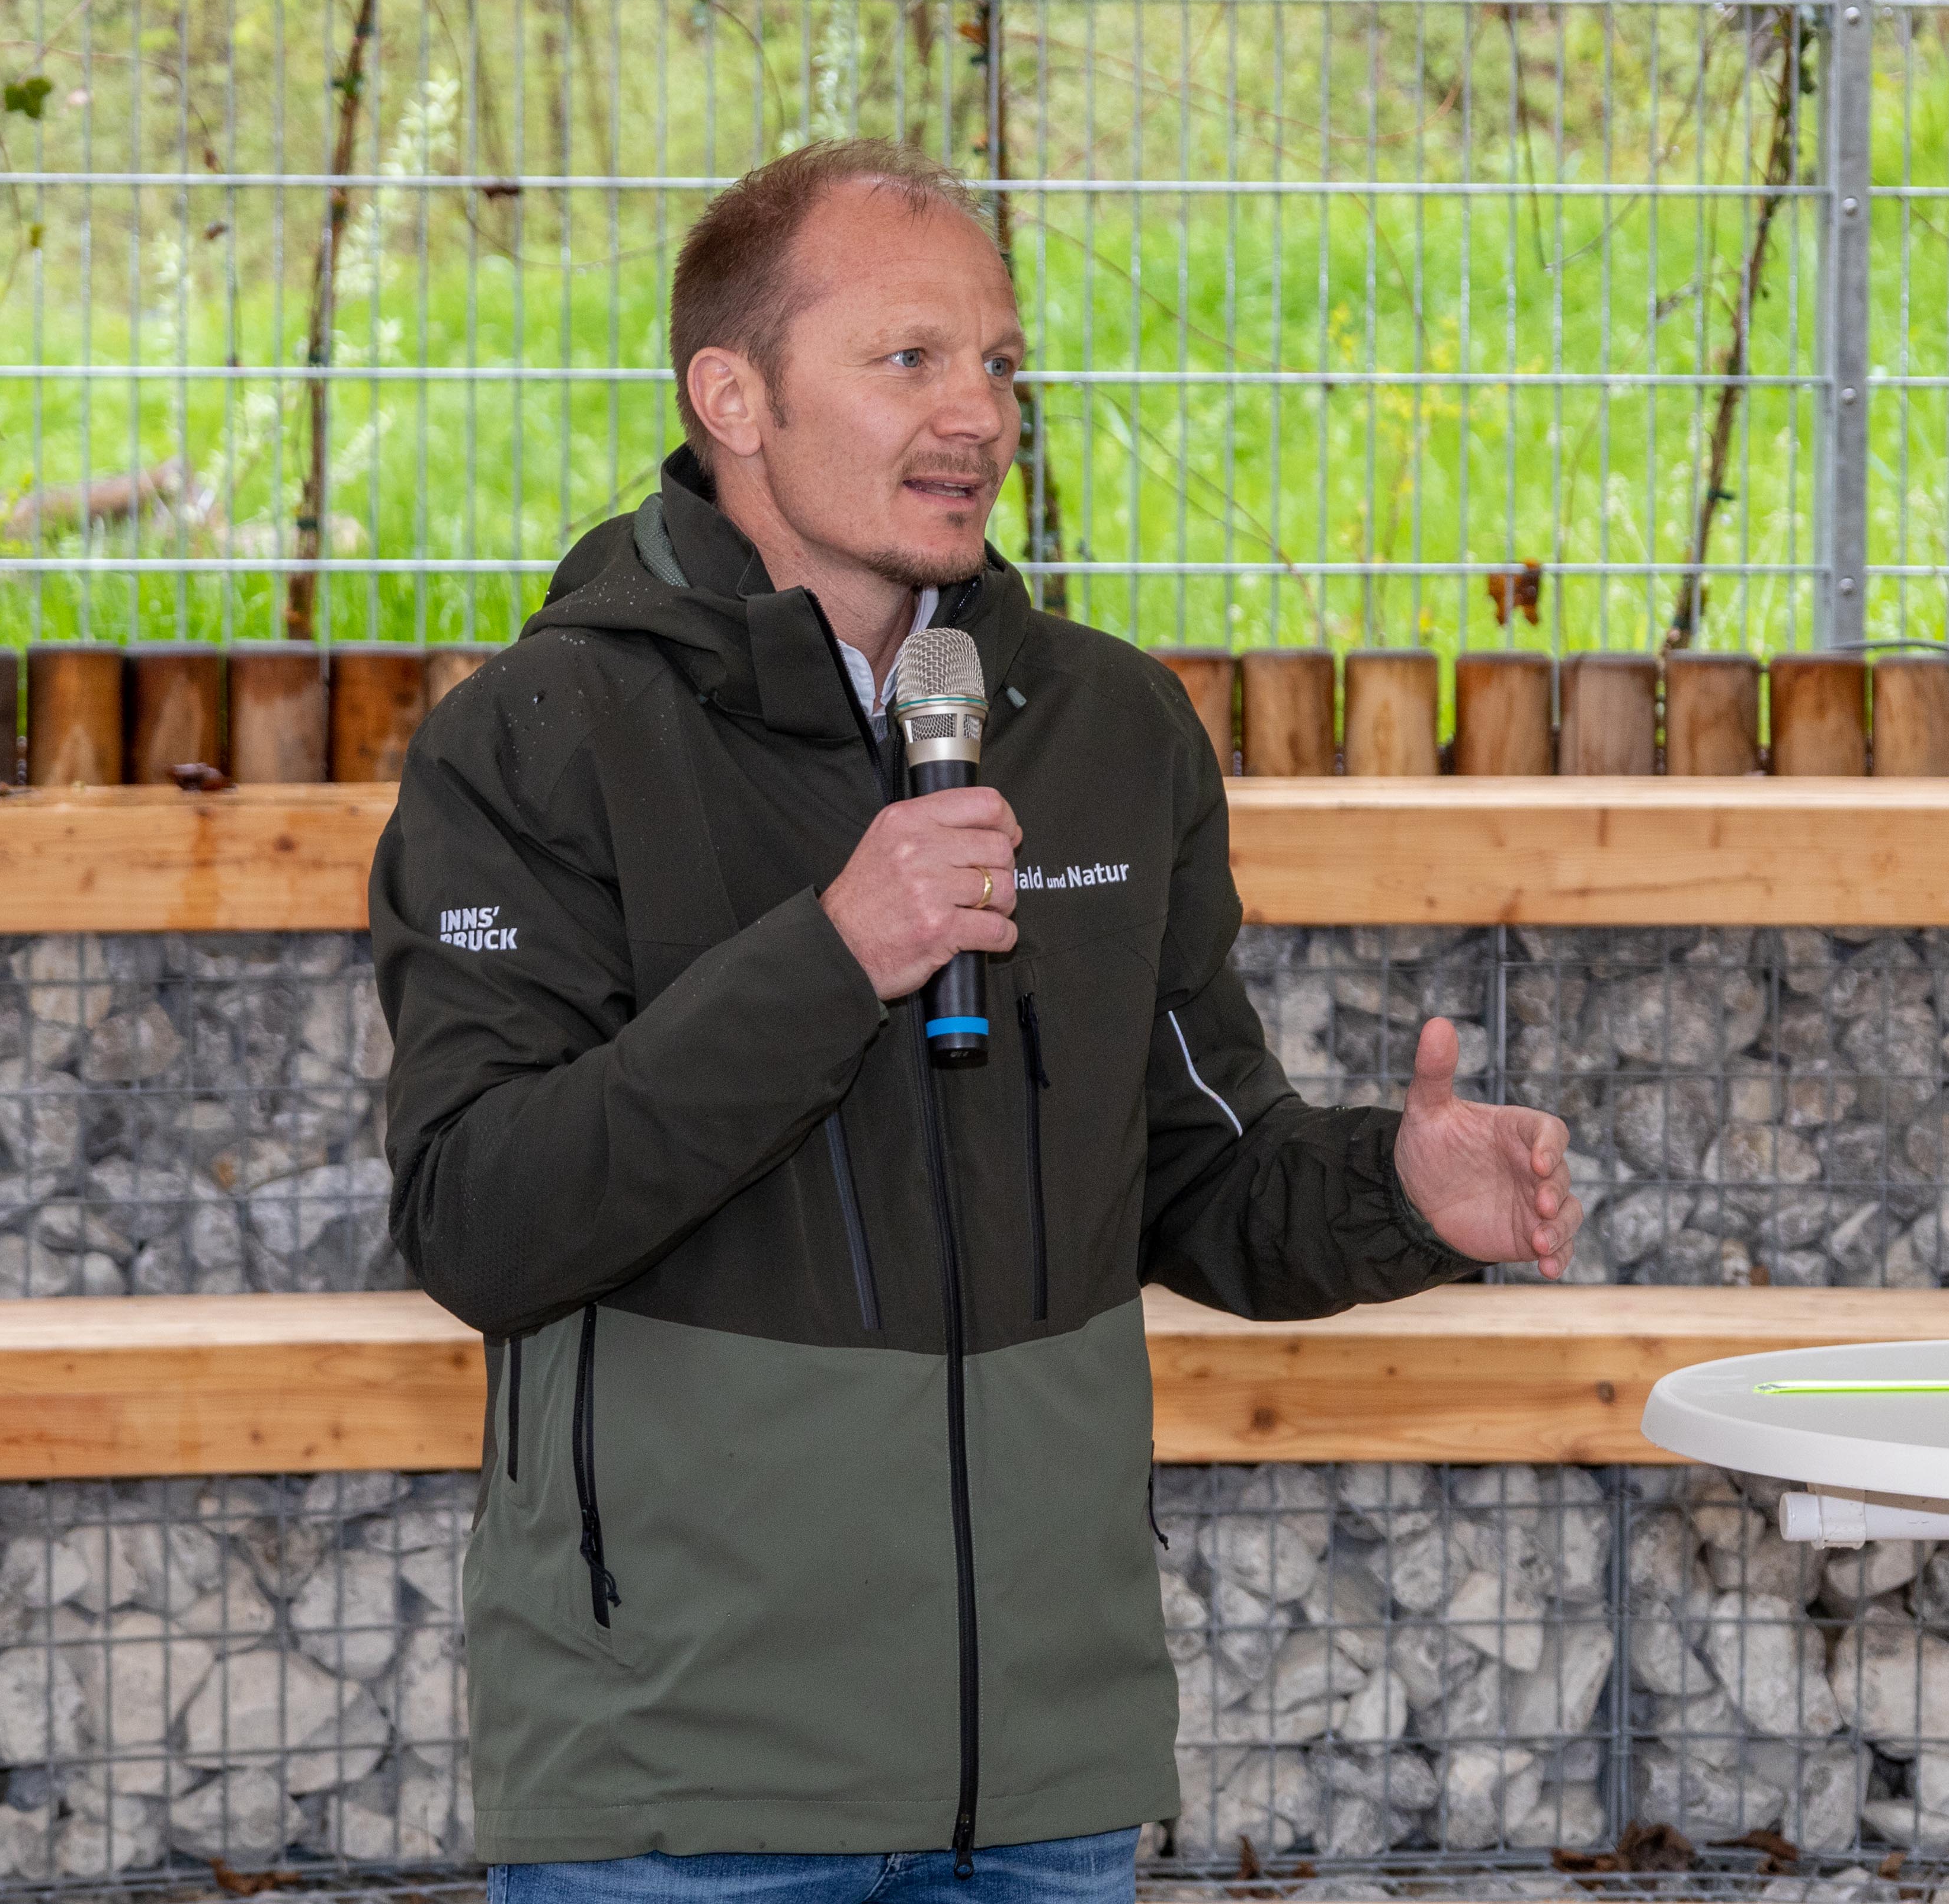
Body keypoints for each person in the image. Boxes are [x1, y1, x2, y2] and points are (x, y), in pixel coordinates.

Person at [367, 140, 1582, 1904]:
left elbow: (1192, 1169)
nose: (980, 415)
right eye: (908, 359)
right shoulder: (541, 742)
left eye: (1001, 364)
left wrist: (1401, 1193)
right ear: (734, 397)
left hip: (1045, 1785)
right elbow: (485, 1217)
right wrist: (834, 954)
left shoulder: (1107, 730)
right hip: (683, 1791)